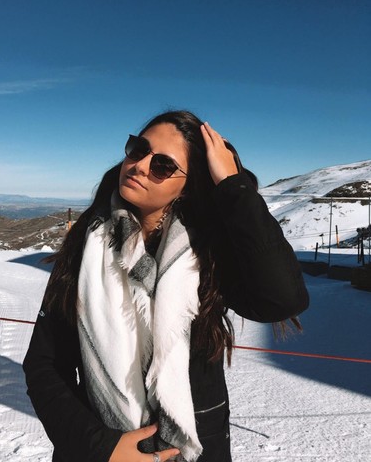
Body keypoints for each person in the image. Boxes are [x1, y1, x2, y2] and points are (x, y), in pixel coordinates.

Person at [23, 110, 309, 462]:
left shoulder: (207, 254)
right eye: (138, 149)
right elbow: (45, 364)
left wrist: (232, 186)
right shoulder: (88, 245)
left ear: (187, 187)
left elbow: (282, 299)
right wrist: (101, 447)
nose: (140, 166)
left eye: (162, 165)